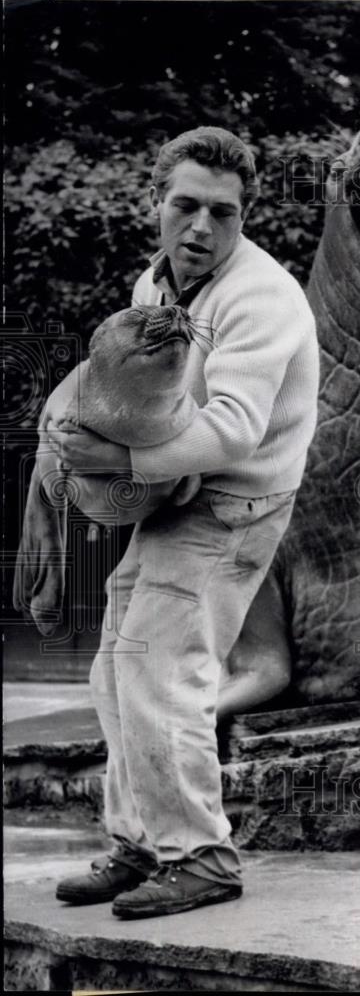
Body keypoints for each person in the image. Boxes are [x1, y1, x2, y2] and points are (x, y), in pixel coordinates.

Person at [49, 127, 319, 919]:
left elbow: (234, 426)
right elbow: (150, 399)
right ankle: (142, 844)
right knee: (115, 669)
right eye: (186, 206)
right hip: (181, 496)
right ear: (157, 204)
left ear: (245, 217)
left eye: (223, 213)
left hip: (235, 504)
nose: (202, 227)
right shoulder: (155, 286)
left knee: (164, 672)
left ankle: (201, 857)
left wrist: (119, 467)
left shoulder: (259, 296)